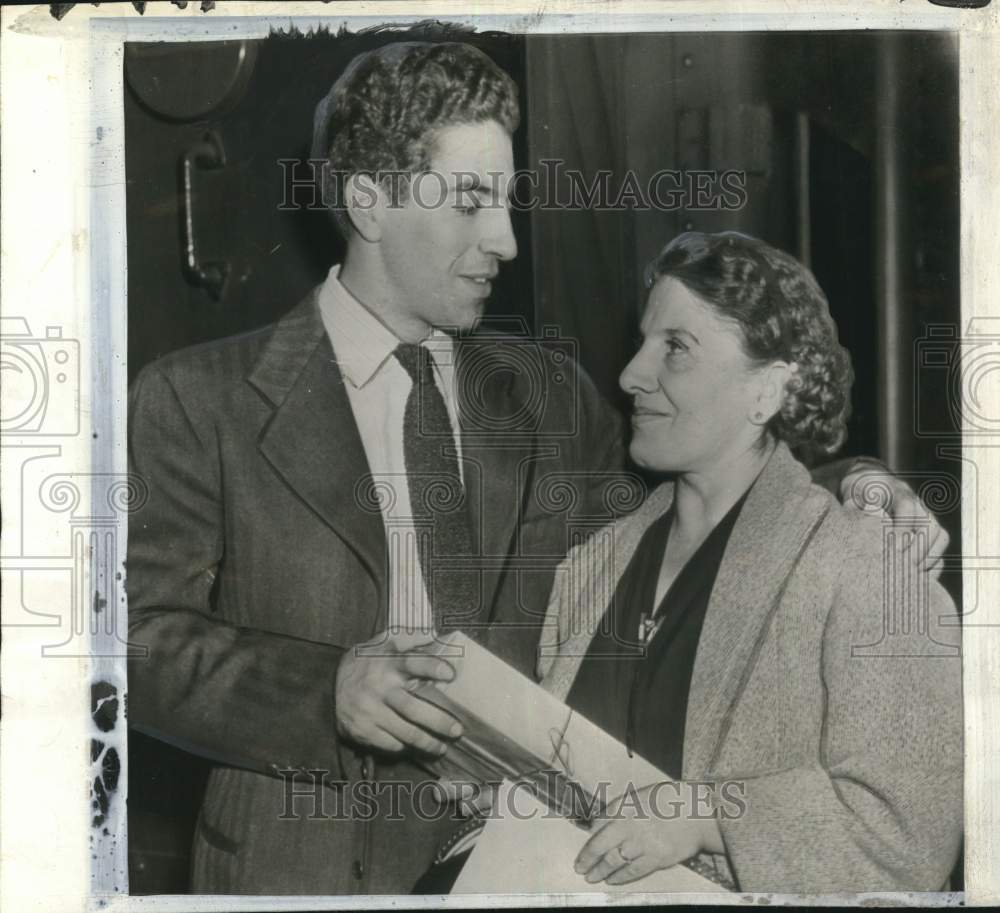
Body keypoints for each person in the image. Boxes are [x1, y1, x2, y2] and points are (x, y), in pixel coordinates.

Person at [126, 41, 946, 896]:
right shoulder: (199, 399)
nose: (507, 241)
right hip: (304, 869)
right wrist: (323, 689)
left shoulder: (547, 395)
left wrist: (852, 481)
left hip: (530, 871)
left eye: (508, 203)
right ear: (369, 200)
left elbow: (679, 521)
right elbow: (134, 641)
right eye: (473, 203)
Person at [535, 231, 962, 893]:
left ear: (766, 390)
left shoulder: (870, 568)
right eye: (645, 340)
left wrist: (707, 815)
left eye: (675, 347)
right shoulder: (590, 566)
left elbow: (907, 834)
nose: (630, 374)